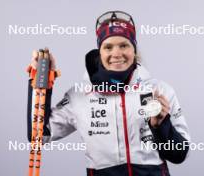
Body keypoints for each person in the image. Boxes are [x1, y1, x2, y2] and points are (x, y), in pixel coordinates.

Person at [27, 11, 190, 176]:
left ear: (134, 49)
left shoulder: (160, 91)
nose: (116, 54)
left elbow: (179, 155)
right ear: (100, 52)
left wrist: (161, 126)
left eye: (124, 45)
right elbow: (39, 135)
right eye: (108, 47)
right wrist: (41, 84)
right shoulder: (80, 95)